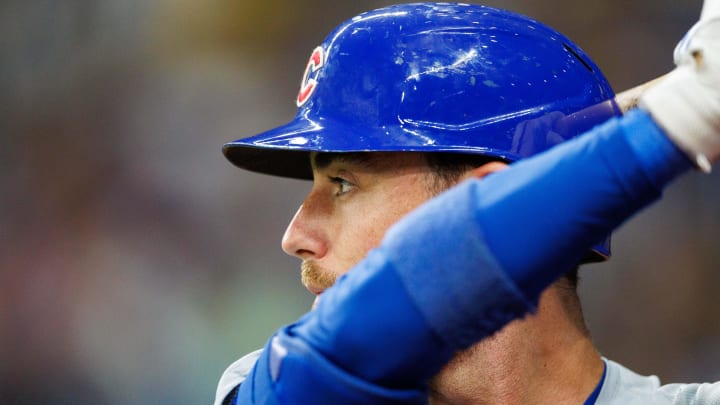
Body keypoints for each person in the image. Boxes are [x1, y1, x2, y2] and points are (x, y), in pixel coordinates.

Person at [215, 2, 720, 404]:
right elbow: (355, 341)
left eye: (343, 184)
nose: (295, 236)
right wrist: (687, 114)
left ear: (489, 197)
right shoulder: (267, 383)